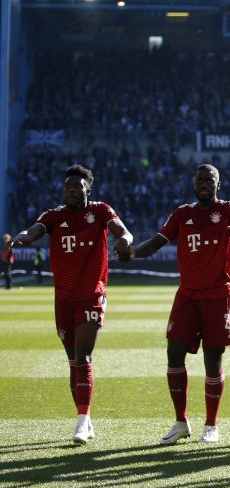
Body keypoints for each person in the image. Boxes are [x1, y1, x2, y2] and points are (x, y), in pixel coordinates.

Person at [5, 164, 132, 444]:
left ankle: (81, 422)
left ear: (88, 189)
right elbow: (35, 230)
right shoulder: (54, 215)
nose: (72, 191)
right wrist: (21, 238)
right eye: (68, 188)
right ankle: (85, 418)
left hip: (91, 294)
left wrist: (124, 241)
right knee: (73, 361)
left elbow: (123, 231)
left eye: (77, 187)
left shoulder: (99, 211)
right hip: (63, 298)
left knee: (83, 356)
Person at [126, 164, 230, 445]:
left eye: (210, 180)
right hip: (187, 295)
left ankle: (211, 425)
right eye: (200, 180)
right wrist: (133, 253)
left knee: (212, 359)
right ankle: (181, 421)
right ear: (194, 184)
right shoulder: (183, 214)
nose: (205, 184)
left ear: (218, 184)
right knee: (173, 354)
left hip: (218, 295)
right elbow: (157, 242)